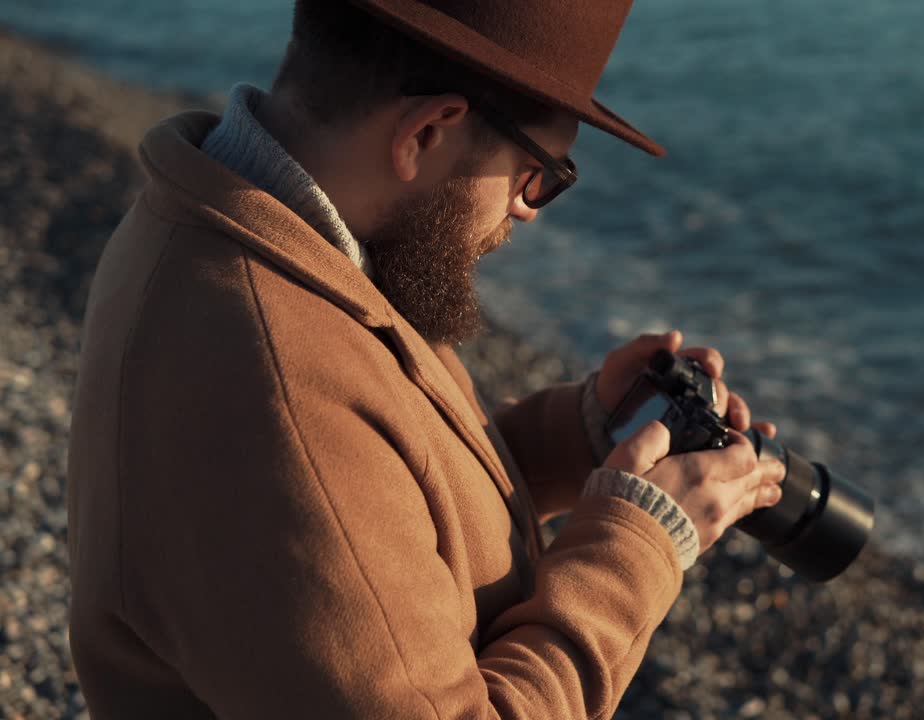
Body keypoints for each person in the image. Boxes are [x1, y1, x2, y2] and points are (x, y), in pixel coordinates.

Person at [66, 1, 785, 717]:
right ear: (427, 132)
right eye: (540, 174)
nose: (529, 209)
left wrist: (582, 434)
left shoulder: (272, 241)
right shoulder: (270, 384)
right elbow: (320, 467)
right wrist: (637, 547)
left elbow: (380, 512)